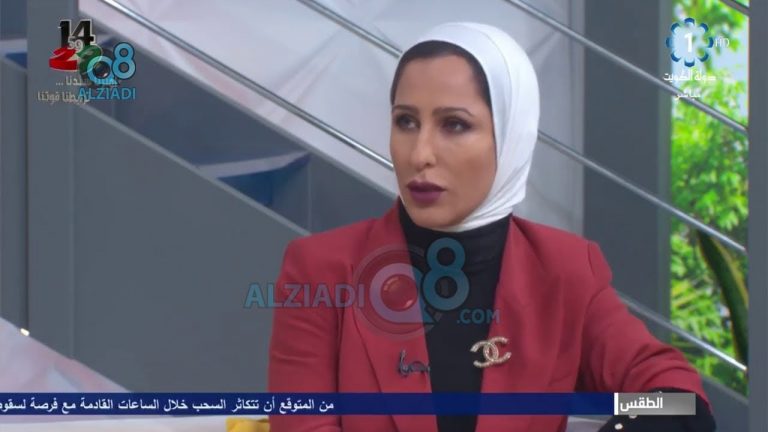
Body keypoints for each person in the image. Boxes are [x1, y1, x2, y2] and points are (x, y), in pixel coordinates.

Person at [268, 22, 716, 432]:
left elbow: (676, 397)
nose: (419, 153)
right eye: (406, 121)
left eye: (454, 125)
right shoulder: (321, 269)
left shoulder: (566, 271)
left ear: (511, 133)